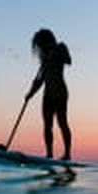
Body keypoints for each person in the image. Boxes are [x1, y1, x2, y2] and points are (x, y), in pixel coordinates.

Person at [24, 28, 72, 160]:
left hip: (60, 92)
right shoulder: (44, 58)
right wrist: (30, 94)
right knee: (47, 125)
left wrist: (56, 51)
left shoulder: (60, 47)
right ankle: (49, 154)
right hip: (48, 94)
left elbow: (69, 61)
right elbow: (39, 81)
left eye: (39, 44)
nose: (38, 48)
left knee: (62, 122)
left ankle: (67, 154)